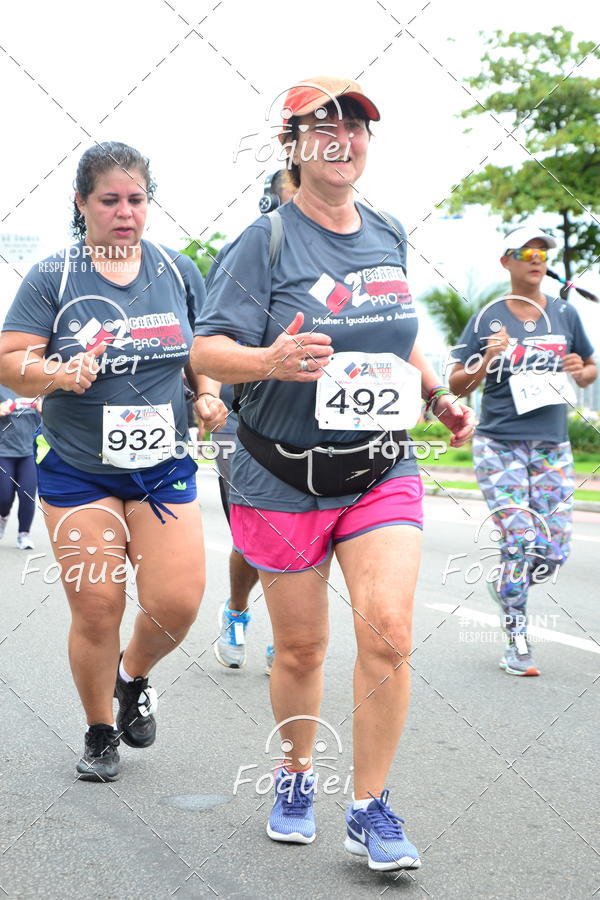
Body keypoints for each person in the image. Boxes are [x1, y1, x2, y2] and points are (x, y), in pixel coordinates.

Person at [192, 76, 474, 871]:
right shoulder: (264, 242)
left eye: (356, 126)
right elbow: (206, 349)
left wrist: (431, 390)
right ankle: (294, 774)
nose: (343, 138)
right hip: (281, 473)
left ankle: (369, 806)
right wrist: (268, 361)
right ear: (295, 144)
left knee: (388, 630)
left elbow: (394, 330)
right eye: (324, 126)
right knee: (303, 650)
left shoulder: (385, 229)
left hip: (379, 466)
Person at [0, 141, 226, 782]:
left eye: (136, 200)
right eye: (110, 200)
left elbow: (201, 352)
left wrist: (208, 397)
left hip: (160, 465)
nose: (125, 213)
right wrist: (56, 373)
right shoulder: (54, 277)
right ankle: (100, 731)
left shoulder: (179, 272)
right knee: (98, 604)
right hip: (78, 469)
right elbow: (10, 363)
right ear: (82, 203)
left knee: (177, 603)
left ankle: (134, 677)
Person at [449, 224, 596, 676]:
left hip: (552, 447)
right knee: (520, 539)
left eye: (543, 251)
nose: (537, 257)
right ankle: (516, 640)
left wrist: (580, 369)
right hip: (500, 446)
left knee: (554, 553)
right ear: (506, 261)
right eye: (526, 250)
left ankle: (504, 584)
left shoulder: (566, 314)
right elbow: (456, 382)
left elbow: (589, 369)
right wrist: (487, 358)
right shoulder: (488, 318)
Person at [211, 168, 298, 673]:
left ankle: (290, 634)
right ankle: (238, 610)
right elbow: (210, 343)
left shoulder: (343, 248)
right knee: (256, 532)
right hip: (239, 417)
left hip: (314, 421)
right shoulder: (250, 249)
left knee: (307, 534)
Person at [0, 388, 41, 549]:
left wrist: (44, 410)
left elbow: (53, 418)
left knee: (27, 495)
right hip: (4, 451)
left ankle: (24, 534)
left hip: (29, 451)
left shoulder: (36, 385)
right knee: (4, 496)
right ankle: (2, 517)